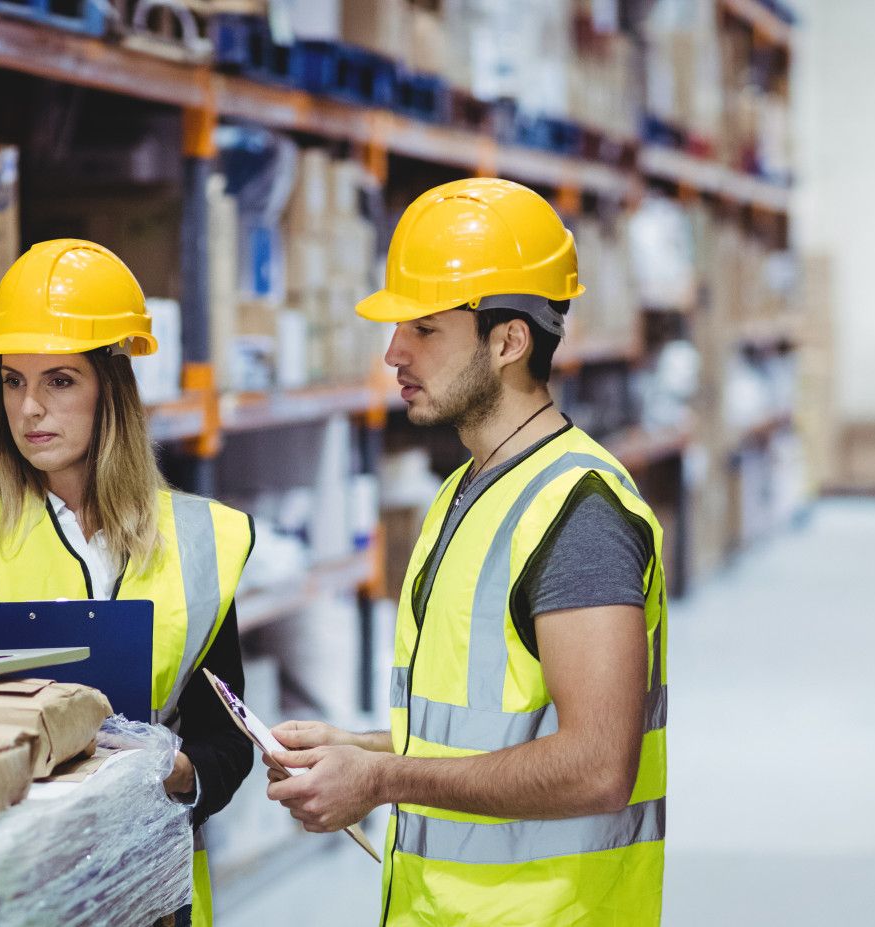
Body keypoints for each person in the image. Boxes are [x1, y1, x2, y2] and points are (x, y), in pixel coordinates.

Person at [263, 178, 669, 926]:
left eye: (424, 328)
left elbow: (597, 767)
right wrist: (351, 747)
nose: (393, 352)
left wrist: (381, 776)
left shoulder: (580, 514)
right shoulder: (465, 491)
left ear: (508, 340)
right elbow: (490, 731)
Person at [0, 239, 254, 927]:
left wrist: (172, 773)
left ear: (112, 386)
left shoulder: (200, 539)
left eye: (59, 380)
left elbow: (228, 739)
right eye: (13, 380)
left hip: (154, 886)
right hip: (12, 885)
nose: (30, 408)